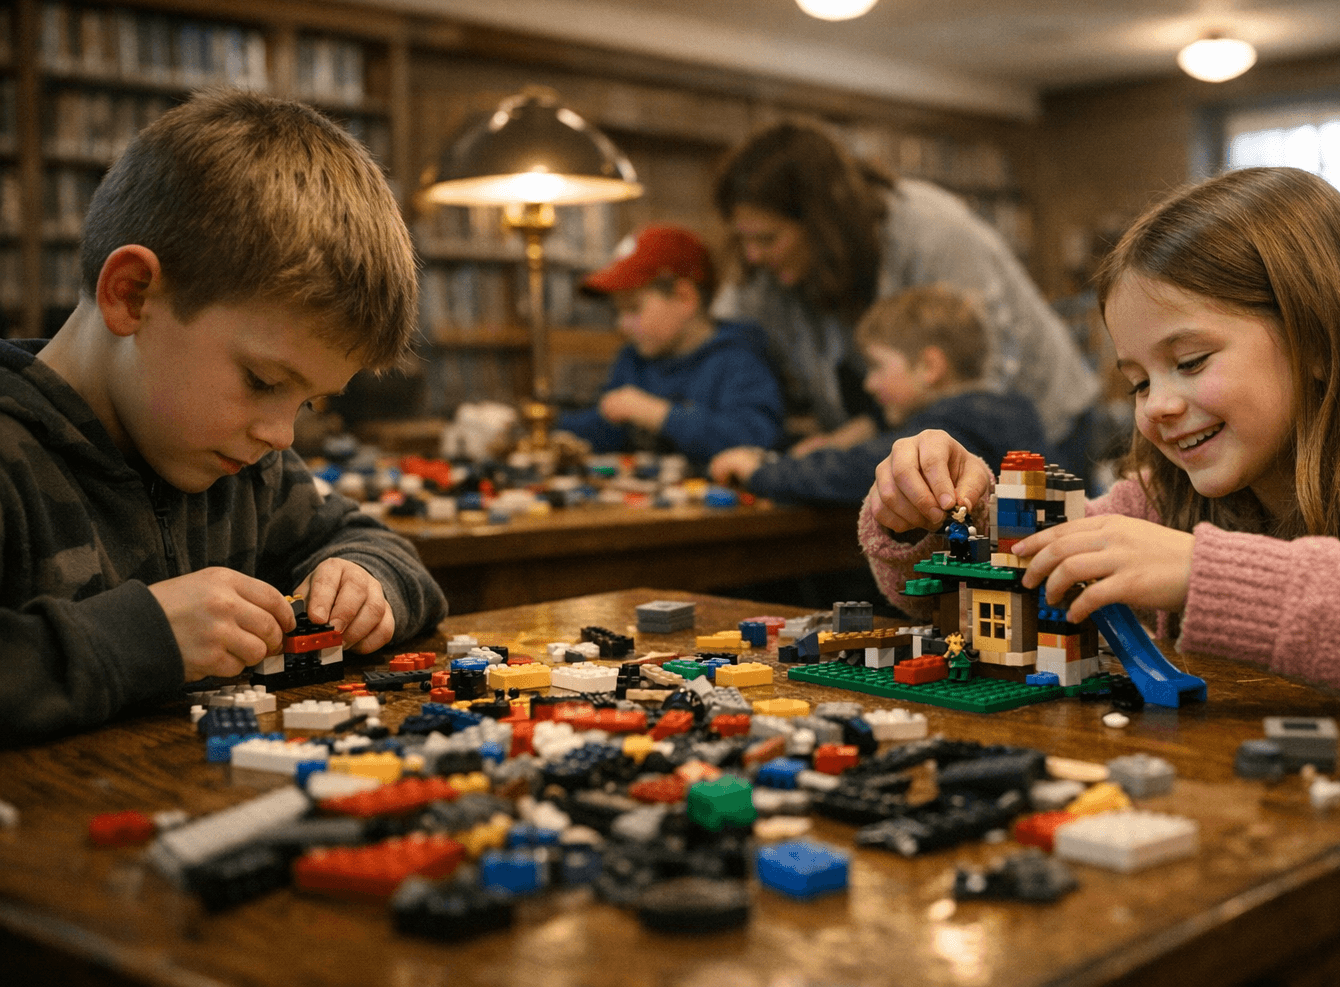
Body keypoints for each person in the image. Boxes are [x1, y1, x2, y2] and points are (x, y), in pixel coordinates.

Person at [862, 166, 1340, 717]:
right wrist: (938, 515)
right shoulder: (1162, 497)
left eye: (1189, 362)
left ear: (1318, 340)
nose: (1157, 405)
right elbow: (986, 602)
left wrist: (1203, 574)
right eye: (1137, 381)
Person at [0, 89, 448, 743]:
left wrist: (365, 582)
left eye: (308, 402)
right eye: (263, 381)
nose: (281, 435)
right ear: (132, 295)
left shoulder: (249, 469)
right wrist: (145, 638)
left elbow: (389, 553)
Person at [711, 121, 1098, 477]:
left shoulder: (933, 234)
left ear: (821, 224)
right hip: (925, 436)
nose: (752, 256)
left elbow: (969, 402)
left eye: (767, 239)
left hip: (1047, 428)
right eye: (742, 239)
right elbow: (724, 336)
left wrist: (780, 472)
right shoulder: (765, 264)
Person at [709, 285, 1048, 506]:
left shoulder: (948, 430)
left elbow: (858, 470)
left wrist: (760, 471)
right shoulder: (1003, 414)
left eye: (877, 366)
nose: (869, 384)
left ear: (929, 367)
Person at [556, 224, 782, 468]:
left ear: (685, 298)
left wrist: (656, 414)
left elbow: (756, 440)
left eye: (633, 308)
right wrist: (546, 426)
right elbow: (604, 426)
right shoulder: (633, 360)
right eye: (617, 311)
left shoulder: (738, 360)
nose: (621, 324)